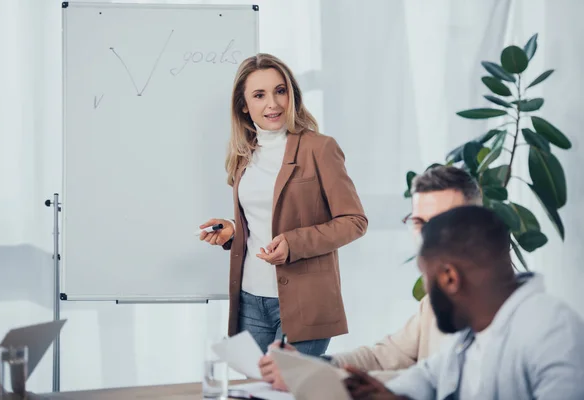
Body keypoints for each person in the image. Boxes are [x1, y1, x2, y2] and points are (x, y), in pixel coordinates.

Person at [198, 53, 367, 356]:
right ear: (244, 105)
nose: (272, 104)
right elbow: (264, 216)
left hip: (306, 301)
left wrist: (294, 243)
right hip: (250, 299)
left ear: (292, 95)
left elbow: (354, 221)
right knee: (256, 390)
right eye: (259, 95)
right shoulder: (242, 154)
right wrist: (234, 231)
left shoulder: (320, 148)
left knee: (288, 390)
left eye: (280, 91)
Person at [259, 165, 483, 389]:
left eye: (442, 220)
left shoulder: (495, 305)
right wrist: (309, 363)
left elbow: (439, 384)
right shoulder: (435, 302)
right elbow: (380, 359)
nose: (427, 235)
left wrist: (314, 377)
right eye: (418, 222)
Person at [344, 205, 584, 400]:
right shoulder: (470, 334)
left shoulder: (554, 330)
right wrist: (385, 393)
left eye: (426, 275)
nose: (426, 288)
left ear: (450, 278)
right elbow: (428, 376)